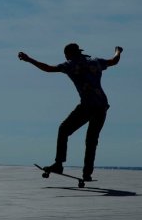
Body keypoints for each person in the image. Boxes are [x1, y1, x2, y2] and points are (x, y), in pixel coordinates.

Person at [18, 43, 123, 181]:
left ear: (69, 54)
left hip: (87, 106)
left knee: (64, 130)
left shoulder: (70, 65)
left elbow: (48, 69)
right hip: (102, 105)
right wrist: (118, 51)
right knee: (91, 140)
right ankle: (87, 173)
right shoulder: (95, 62)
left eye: (65, 54)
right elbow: (114, 61)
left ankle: (59, 164)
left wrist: (29, 59)